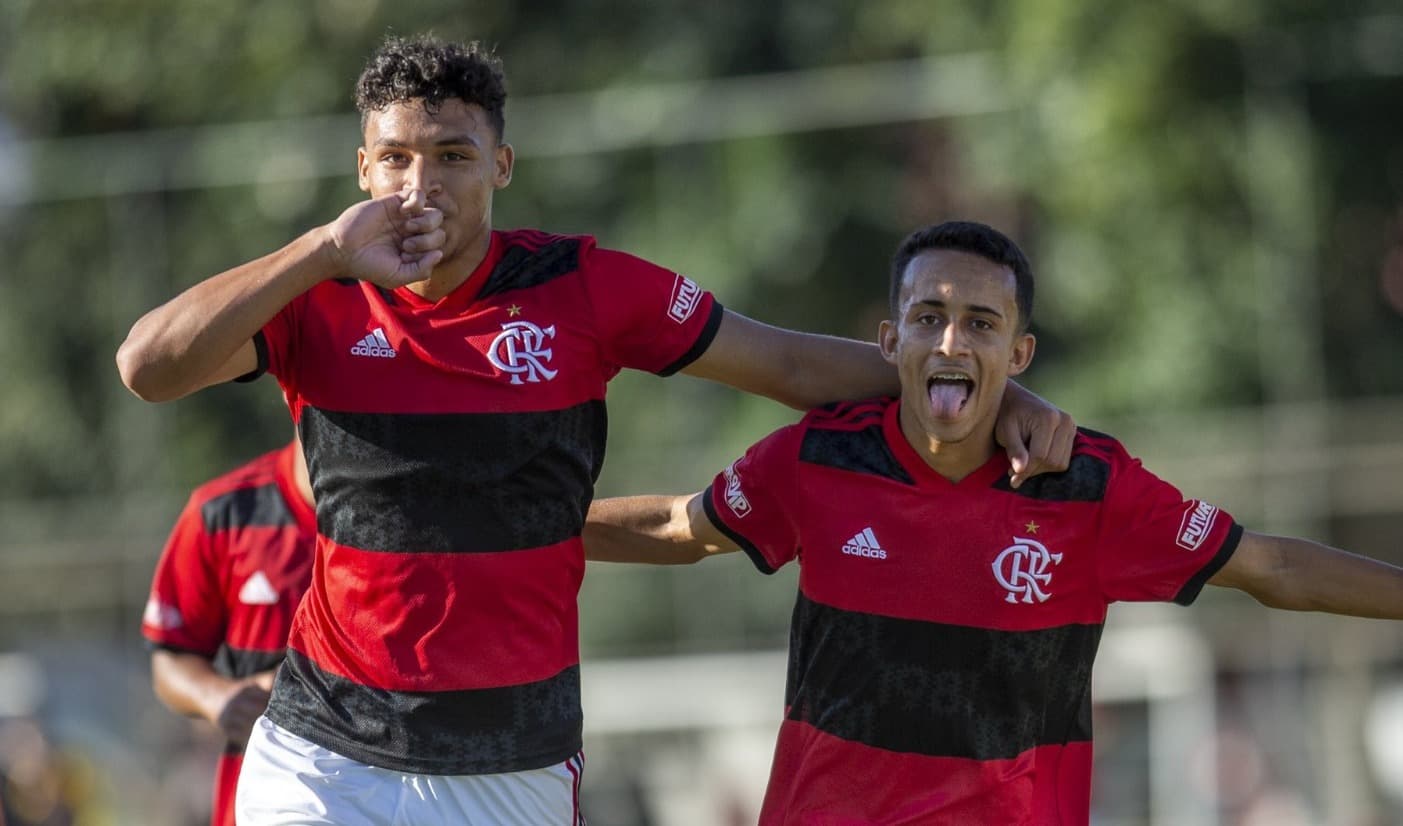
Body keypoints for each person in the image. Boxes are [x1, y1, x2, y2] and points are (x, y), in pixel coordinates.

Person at [115, 35, 1074, 825]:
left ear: (500, 165)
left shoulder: (584, 287)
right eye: (396, 158)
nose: (420, 185)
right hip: (324, 753)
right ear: (363, 168)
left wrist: (981, 390)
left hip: (512, 764)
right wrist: (320, 248)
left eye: (452, 156)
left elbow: (786, 366)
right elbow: (147, 368)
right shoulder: (314, 296)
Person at [583, 220, 1403, 825]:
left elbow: (1270, 568)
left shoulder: (1087, 490)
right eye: (928, 317)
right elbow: (677, 527)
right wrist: (522, 526)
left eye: (980, 323)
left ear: (1017, 355)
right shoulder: (816, 460)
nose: (950, 341)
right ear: (889, 340)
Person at [140, 437, 315, 826]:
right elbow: (169, 654)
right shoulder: (223, 511)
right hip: (255, 803)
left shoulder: (421, 512)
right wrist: (220, 698)